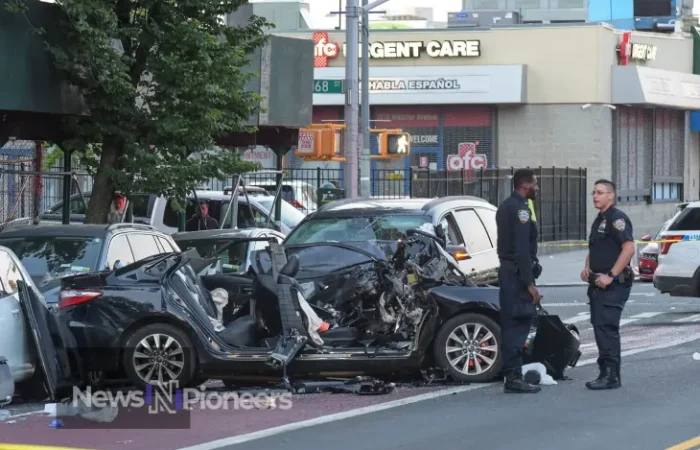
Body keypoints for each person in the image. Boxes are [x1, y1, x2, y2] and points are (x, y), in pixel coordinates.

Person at [580, 179, 634, 390]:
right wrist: (587, 268)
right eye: (594, 192)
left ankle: (611, 375)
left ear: (611, 196)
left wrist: (610, 275)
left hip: (613, 284)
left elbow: (629, 248)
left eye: (600, 192)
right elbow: (595, 249)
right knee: (600, 327)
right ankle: (605, 372)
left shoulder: (616, 218)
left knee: (607, 328)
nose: (595, 196)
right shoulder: (600, 219)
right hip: (597, 283)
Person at [496, 168, 542, 394]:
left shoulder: (505, 206)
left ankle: (511, 374)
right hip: (516, 274)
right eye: (535, 183)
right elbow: (522, 250)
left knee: (510, 322)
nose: (537, 187)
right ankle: (513, 376)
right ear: (525, 185)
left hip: (507, 272)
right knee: (518, 322)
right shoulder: (521, 210)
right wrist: (529, 283)